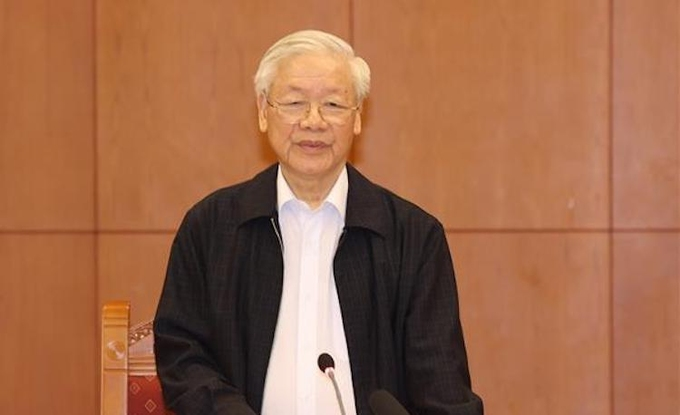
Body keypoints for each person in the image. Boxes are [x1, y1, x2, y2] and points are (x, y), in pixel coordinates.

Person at [154, 29, 484, 415]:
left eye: (333, 104)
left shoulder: (412, 238)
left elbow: (442, 384)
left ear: (357, 117)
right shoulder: (211, 228)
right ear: (263, 110)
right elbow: (181, 353)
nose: (314, 121)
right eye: (295, 103)